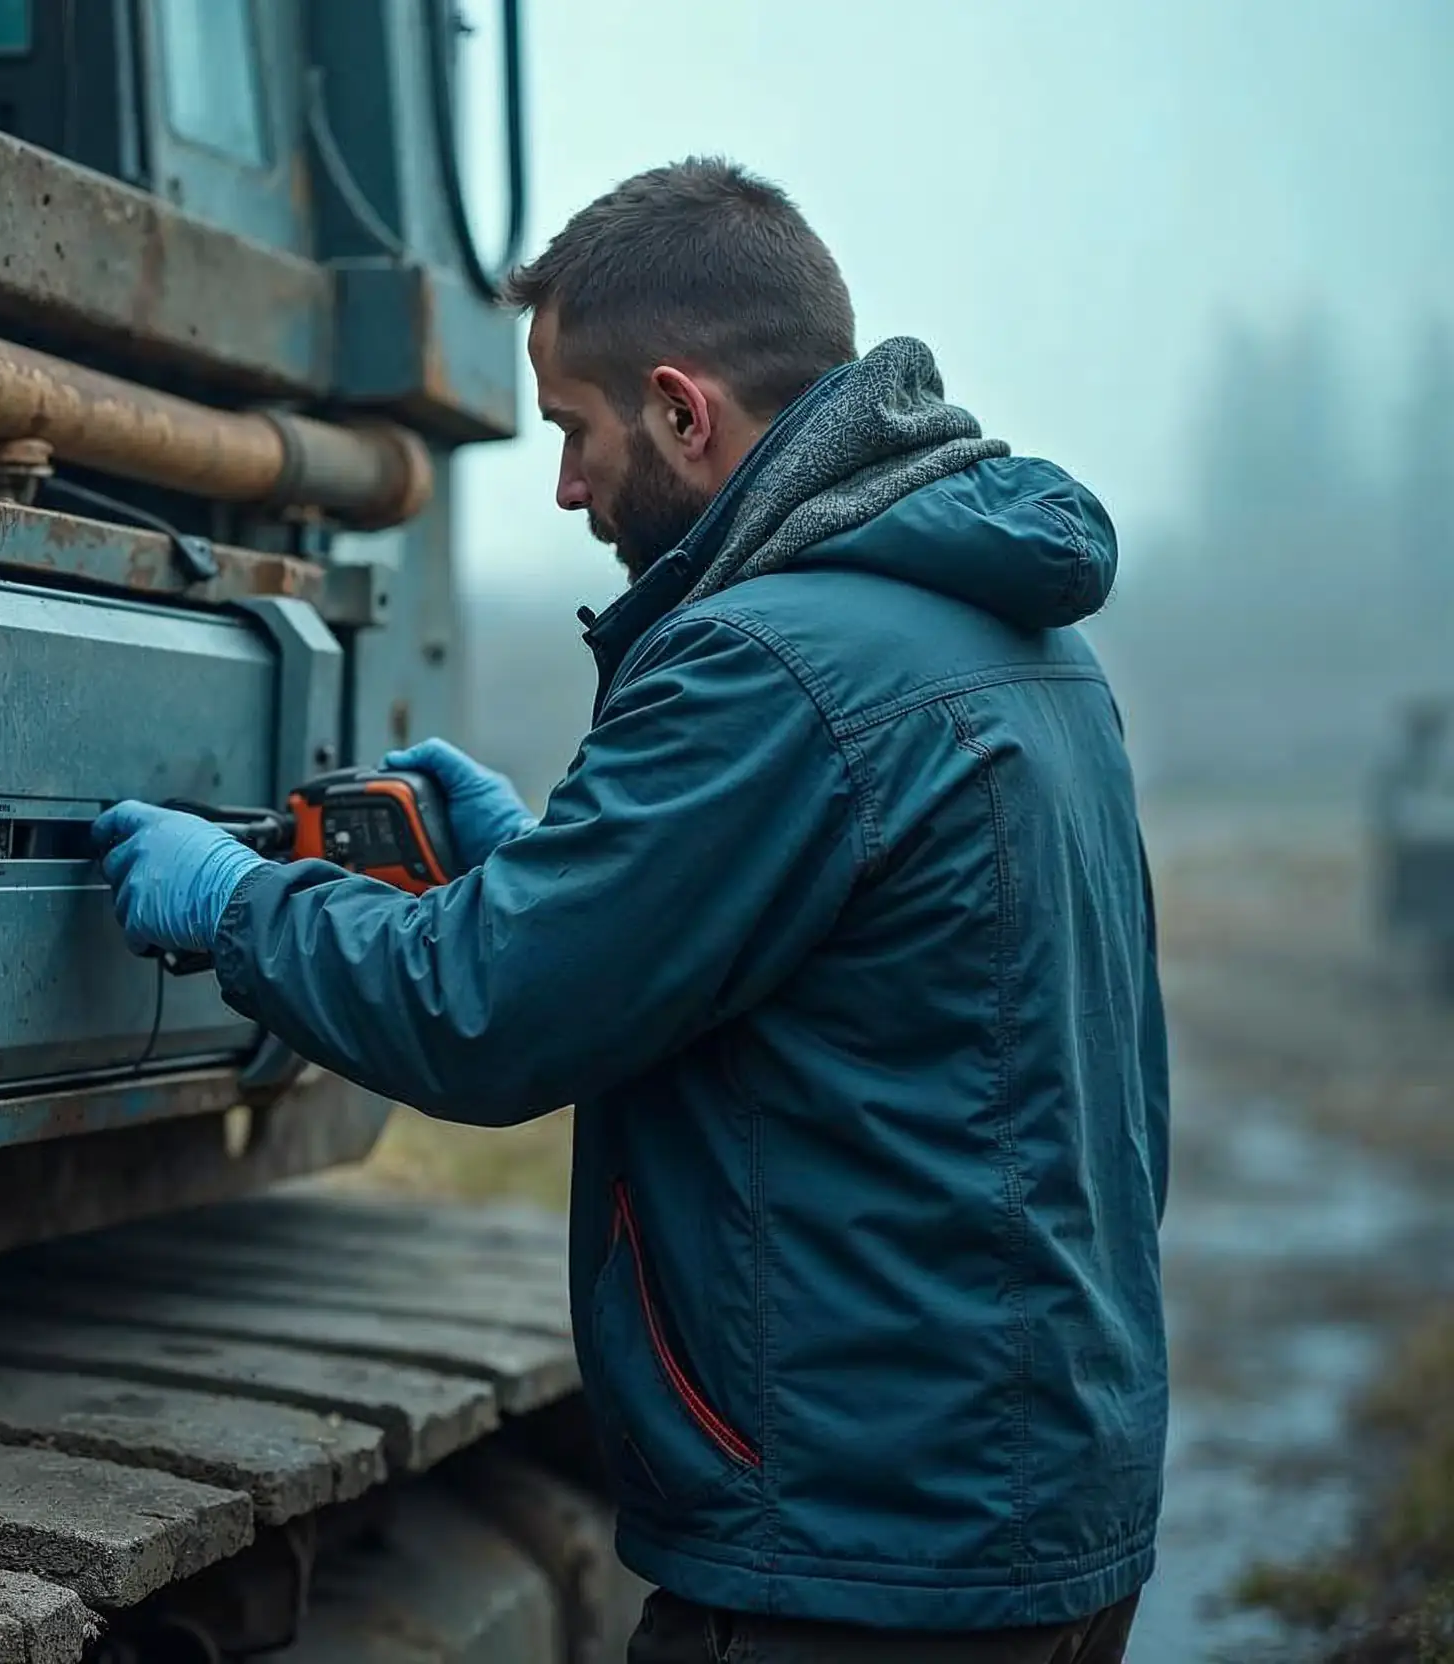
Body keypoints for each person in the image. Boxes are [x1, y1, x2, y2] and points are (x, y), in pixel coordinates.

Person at [90, 157, 1166, 1662]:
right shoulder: (1018, 641)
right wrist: (550, 871)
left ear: (681, 408)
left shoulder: (767, 665)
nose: (567, 486)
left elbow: (490, 1014)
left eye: (576, 433)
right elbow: (851, 991)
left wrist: (239, 903)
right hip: (1031, 1507)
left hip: (852, 1560)